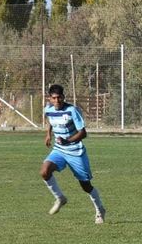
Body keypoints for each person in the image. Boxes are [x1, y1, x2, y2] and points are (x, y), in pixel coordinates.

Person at [40, 84, 106, 224]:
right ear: (50, 99)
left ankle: (100, 209)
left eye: (59, 98)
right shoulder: (48, 109)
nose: (57, 101)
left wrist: (67, 140)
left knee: (86, 186)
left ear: (64, 97)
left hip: (75, 151)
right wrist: (48, 134)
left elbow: (83, 133)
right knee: (45, 171)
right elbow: (51, 121)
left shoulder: (72, 111)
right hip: (59, 150)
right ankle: (60, 198)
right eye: (54, 98)